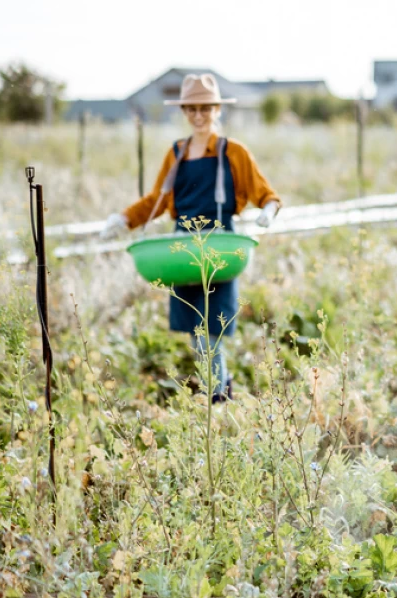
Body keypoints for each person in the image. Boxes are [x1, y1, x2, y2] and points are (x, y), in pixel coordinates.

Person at [100, 73, 282, 402]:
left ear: (217, 109)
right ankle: (221, 401)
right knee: (195, 336)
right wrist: (124, 219)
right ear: (184, 111)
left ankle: (218, 403)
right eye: (191, 109)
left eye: (205, 108)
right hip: (181, 252)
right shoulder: (176, 153)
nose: (198, 115)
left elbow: (266, 194)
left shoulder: (233, 152)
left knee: (210, 337)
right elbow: (157, 199)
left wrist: (267, 212)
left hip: (218, 250)